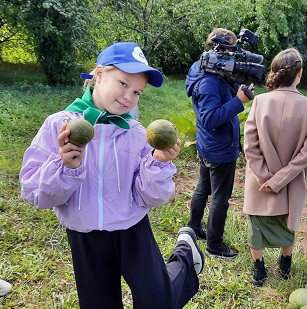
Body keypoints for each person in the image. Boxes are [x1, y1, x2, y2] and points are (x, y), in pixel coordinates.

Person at [20, 42, 204, 309]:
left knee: (158, 302)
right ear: (98, 74)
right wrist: (65, 167)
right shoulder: (58, 125)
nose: (129, 96)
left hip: (131, 228)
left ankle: (185, 257)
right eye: (123, 83)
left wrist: (158, 161)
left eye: (137, 91)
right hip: (84, 234)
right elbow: (34, 192)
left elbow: (151, 197)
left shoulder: (137, 133)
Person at [243, 48, 307, 285]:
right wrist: (280, 180)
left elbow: (250, 145)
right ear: (300, 73)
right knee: (289, 221)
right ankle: (285, 264)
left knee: (256, 224)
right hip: (292, 179)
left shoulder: (260, 101)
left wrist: (265, 177)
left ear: (274, 73)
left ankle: (259, 270)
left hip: (259, 179)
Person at [185, 28, 252, 259]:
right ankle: (214, 245)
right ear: (218, 50)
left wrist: (236, 89)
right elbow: (210, 118)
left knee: (203, 188)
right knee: (220, 199)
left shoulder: (205, 67)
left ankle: (194, 228)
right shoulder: (208, 81)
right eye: (231, 53)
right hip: (219, 149)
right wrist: (239, 101)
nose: (234, 58)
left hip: (209, 145)